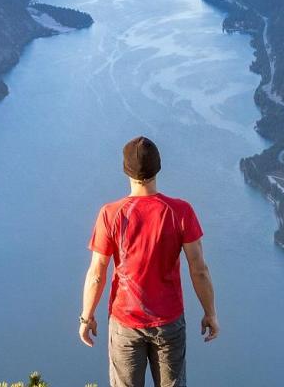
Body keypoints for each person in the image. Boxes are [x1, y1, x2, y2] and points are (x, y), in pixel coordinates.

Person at [79, 136, 218, 387]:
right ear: (158, 167)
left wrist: (86, 316)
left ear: (125, 170)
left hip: (125, 323)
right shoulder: (180, 211)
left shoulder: (111, 214)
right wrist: (211, 313)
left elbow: (97, 272)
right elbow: (199, 270)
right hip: (169, 322)